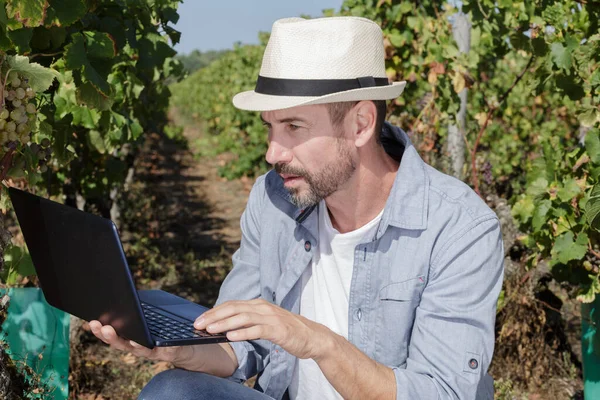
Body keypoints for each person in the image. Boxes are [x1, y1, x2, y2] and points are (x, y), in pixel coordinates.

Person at [89, 16, 504, 400]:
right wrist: (177, 350)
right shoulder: (272, 199)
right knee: (172, 391)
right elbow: (242, 350)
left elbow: (441, 393)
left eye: (294, 128)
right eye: (270, 127)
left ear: (360, 124)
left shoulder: (459, 228)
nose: (273, 152)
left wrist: (314, 340)